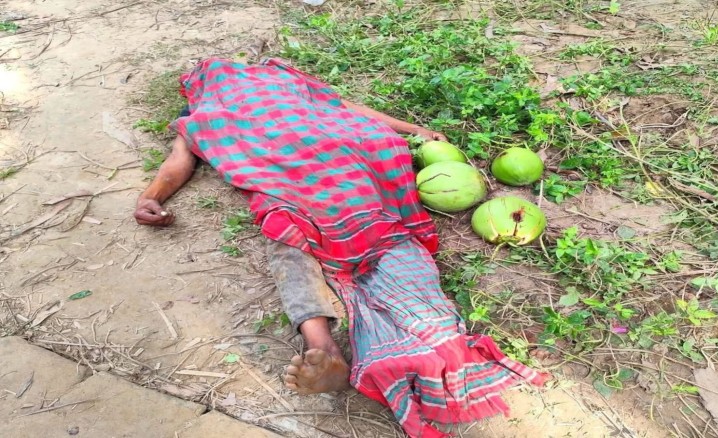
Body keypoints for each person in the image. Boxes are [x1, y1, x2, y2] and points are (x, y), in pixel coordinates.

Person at [134, 57, 547, 438]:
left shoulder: (280, 80)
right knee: (311, 236)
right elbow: (179, 160)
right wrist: (151, 197)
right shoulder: (205, 114)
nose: (221, 72)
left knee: (301, 238)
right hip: (303, 171)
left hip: (337, 156)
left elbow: (348, 111)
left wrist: (413, 131)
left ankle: (332, 340)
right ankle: (326, 351)